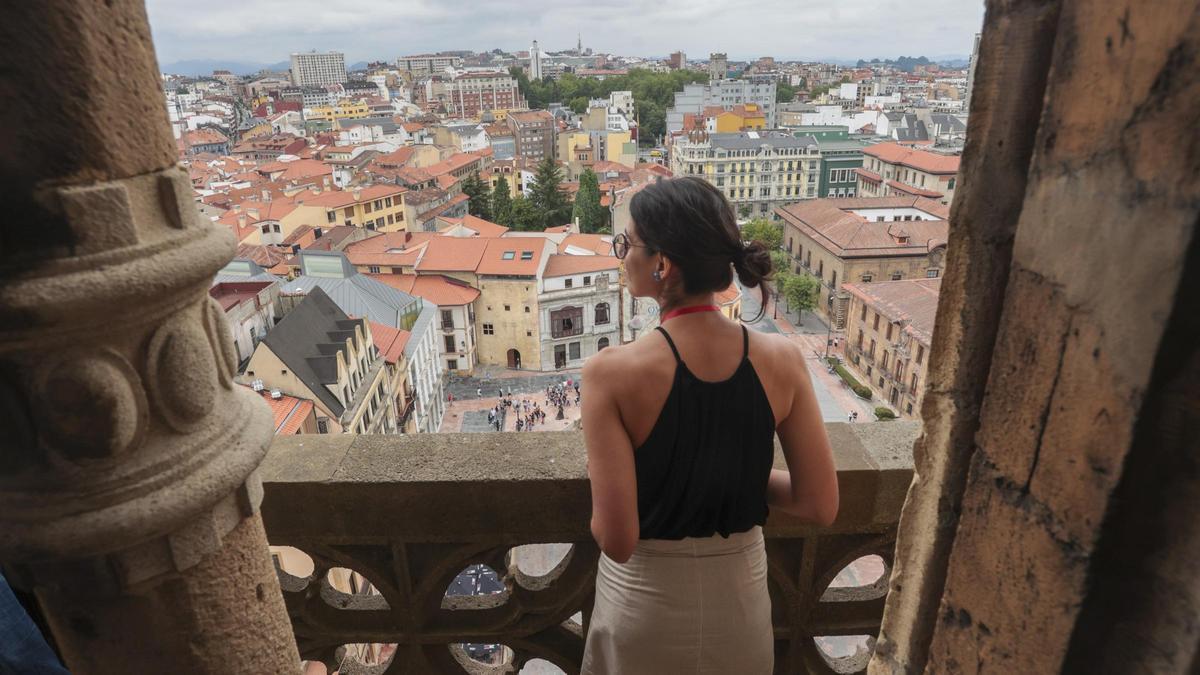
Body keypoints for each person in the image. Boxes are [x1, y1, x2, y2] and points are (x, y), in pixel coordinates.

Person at [581, 177, 838, 674]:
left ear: (662, 263)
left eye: (627, 244)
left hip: (644, 610)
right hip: (740, 609)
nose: (623, 256)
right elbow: (819, 504)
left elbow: (616, 538)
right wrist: (727, 475)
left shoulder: (610, 373)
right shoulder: (782, 359)